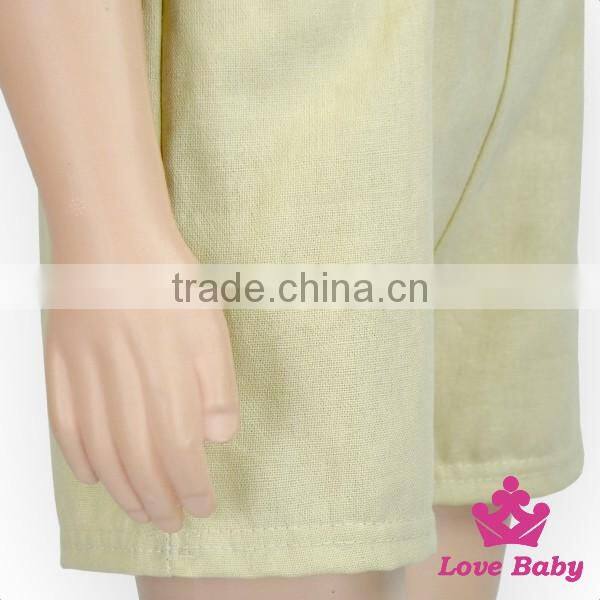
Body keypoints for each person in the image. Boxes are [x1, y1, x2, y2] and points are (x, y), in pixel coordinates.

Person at [0, 2, 584, 599]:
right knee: (305, 535)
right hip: (274, 73)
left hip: (506, 49)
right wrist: (108, 230)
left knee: (458, 493)